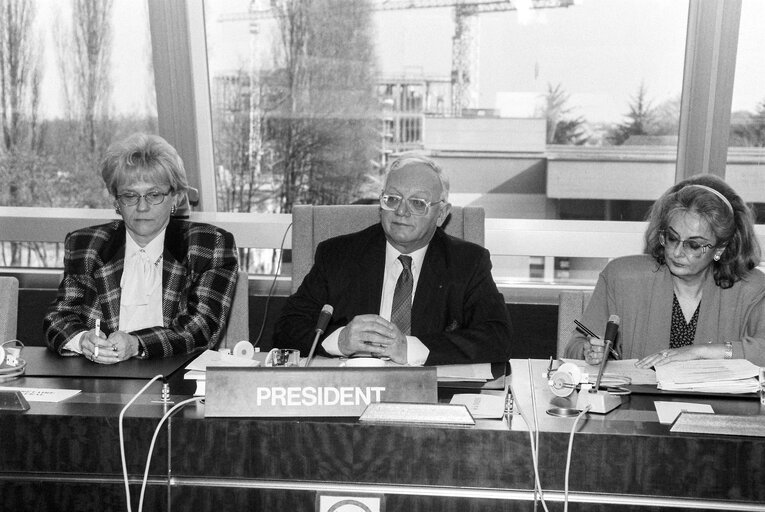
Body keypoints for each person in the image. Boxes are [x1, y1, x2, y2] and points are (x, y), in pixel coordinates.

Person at [273, 155, 513, 366]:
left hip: (433, 398)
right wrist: (340, 340)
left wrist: (410, 348)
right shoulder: (338, 255)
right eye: (393, 199)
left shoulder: (468, 262)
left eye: (418, 203)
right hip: (352, 395)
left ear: (440, 214)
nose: (401, 211)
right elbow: (287, 328)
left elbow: (497, 338)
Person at [44, 133, 239, 362]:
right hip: (100, 379)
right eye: (130, 196)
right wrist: (81, 339)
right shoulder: (86, 246)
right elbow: (57, 318)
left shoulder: (209, 245)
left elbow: (201, 328)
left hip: (177, 381)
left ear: (174, 197)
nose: (142, 207)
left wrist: (136, 344)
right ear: (116, 201)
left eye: (154, 195)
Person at [564, 174, 765, 368]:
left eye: (693, 245)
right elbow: (575, 346)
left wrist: (699, 352)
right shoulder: (622, 277)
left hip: (718, 404)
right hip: (637, 402)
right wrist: (588, 352)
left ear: (719, 249)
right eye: (672, 238)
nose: (677, 252)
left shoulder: (752, 288)